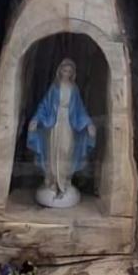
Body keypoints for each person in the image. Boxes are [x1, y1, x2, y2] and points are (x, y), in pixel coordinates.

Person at [24, 58, 96, 209]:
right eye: (64, 70)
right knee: (53, 151)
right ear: (60, 70)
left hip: (68, 124)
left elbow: (79, 110)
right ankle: (52, 182)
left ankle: (65, 182)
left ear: (72, 73)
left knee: (66, 151)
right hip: (54, 124)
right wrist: (36, 119)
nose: (66, 73)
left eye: (70, 71)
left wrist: (88, 123)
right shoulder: (54, 88)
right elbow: (44, 106)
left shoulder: (74, 89)